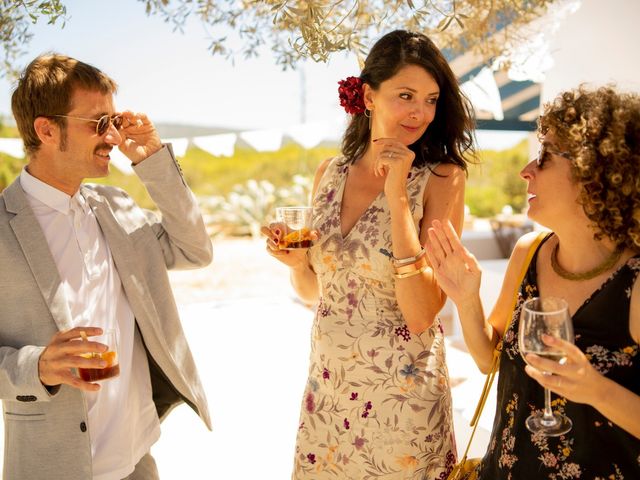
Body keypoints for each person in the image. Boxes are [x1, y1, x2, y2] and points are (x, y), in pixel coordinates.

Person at [262, 30, 475, 478]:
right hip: (329, 388)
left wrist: (397, 196)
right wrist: (298, 263)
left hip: (402, 402)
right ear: (368, 96)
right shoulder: (330, 172)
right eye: (406, 95)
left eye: (431, 99)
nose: (420, 112)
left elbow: (421, 314)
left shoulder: (442, 179)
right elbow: (315, 294)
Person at [0, 53, 213, 479]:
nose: (113, 138)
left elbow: (195, 249)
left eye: (114, 123)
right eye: (99, 123)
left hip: (137, 459)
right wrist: (35, 367)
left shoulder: (116, 207)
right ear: (46, 129)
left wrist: (152, 159)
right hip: (52, 465)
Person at [426, 85, 640, 479]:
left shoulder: (636, 283)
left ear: (593, 168)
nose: (527, 170)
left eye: (544, 156)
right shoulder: (529, 251)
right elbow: (488, 360)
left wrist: (595, 388)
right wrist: (466, 298)